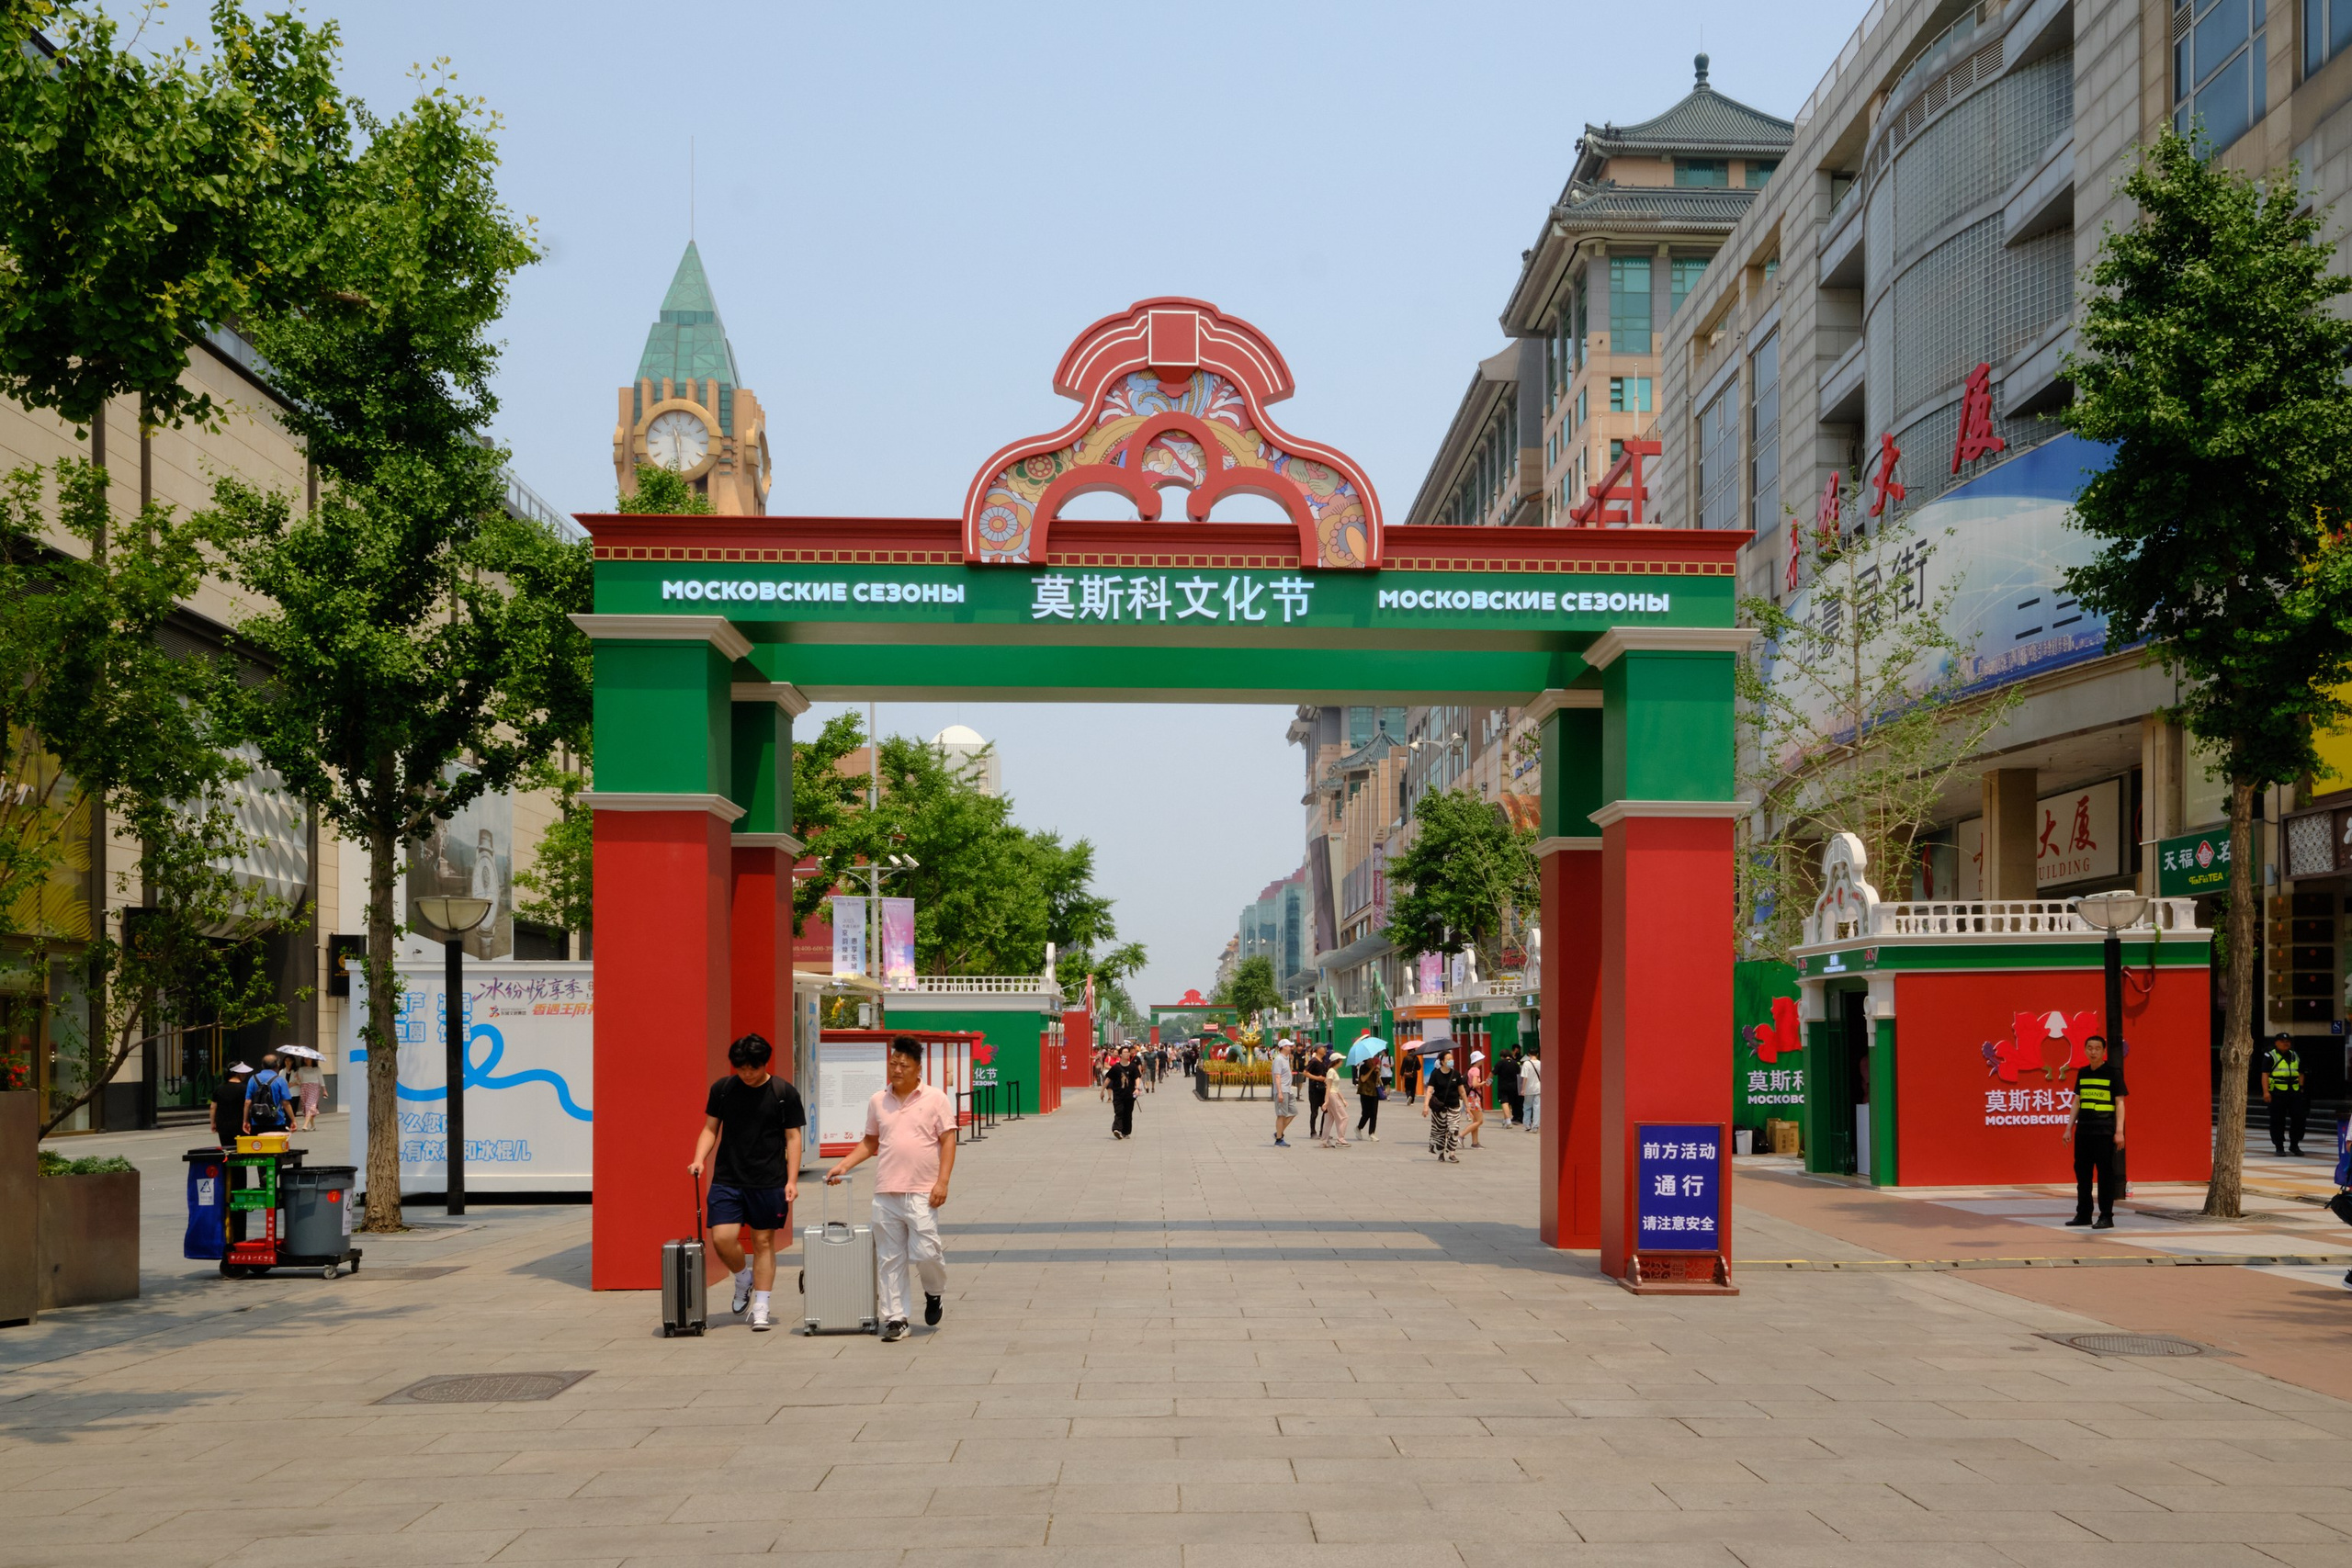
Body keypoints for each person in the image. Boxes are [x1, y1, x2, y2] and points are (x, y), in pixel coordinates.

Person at [826, 1035, 956, 1342]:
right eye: (893, 1063)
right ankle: (896, 1318)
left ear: (918, 1068)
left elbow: (948, 1140)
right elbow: (870, 1141)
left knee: (927, 1252)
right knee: (890, 1258)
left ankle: (934, 1291)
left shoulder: (935, 1098)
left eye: (903, 1065)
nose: (896, 1069)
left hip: (923, 1191)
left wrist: (943, 1182)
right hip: (886, 1191)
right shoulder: (878, 1100)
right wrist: (844, 1165)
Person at [687, 1032, 806, 1333]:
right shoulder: (724, 1089)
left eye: (753, 1068)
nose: (747, 1074)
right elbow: (710, 1128)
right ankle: (743, 1278)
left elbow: (793, 1137)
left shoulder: (783, 1092)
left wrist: (792, 1180)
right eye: (741, 1069)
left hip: (769, 1180)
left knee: (763, 1242)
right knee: (722, 1239)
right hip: (728, 1178)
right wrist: (699, 1158)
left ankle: (762, 1307)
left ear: (764, 1064)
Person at [2064, 1033, 2127, 1229]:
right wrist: (2068, 1128)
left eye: (2097, 1048)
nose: (2093, 1052)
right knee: (2082, 1175)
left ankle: (2106, 1216)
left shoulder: (2113, 1073)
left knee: (2105, 1175)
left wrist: (2119, 1131)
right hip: (2083, 1132)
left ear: (2103, 1051)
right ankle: (2084, 1214)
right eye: (2090, 1048)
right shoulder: (2083, 1073)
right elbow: (2077, 1102)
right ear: (2085, 1050)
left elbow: (2120, 1103)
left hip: (2104, 1132)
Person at [2266, 1033, 2308, 1156]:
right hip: (2277, 1092)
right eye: (2282, 1041)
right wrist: (2266, 1092)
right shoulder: (2270, 1056)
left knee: (2299, 1118)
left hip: (2294, 1092)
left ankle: (2294, 1144)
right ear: (2276, 1043)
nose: (2286, 1043)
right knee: (2277, 1120)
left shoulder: (2295, 1055)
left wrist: (2301, 1088)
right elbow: (2264, 1074)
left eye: (2287, 1041)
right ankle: (2279, 1146)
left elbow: (2301, 1072)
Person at [1423, 1052, 1465, 1162]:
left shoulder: (1456, 1074)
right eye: (1448, 1059)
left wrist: (1468, 1105)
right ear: (1442, 1061)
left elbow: (1462, 1091)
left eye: (1452, 1058)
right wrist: (1426, 1106)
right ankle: (1440, 1153)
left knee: (1454, 1129)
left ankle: (1452, 1153)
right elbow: (1429, 1091)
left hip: (1454, 1106)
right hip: (1439, 1107)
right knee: (1440, 1131)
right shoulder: (1435, 1074)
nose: (1451, 1061)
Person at [243, 1052, 294, 1135]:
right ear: (277, 1065)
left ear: (262, 1065)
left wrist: (245, 1120)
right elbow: (285, 1103)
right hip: (276, 1121)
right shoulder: (280, 1080)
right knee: (276, 1144)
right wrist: (293, 1120)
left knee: (259, 1143)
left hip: (257, 1121)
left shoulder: (253, 1079)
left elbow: (248, 1102)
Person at [210, 1062, 254, 1146]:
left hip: (223, 1125)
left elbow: (213, 1107)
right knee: (242, 1149)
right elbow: (248, 1104)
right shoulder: (245, 1089)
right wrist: (246, 1121)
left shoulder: (219, 1088)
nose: (245, 1074)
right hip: (240, 1125)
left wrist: (213, 1123)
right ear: (238, 1074)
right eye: (244, 1072)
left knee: (227, 1149)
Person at [1106, 1045, 1141, 1139]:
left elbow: (1137, 1077)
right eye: (1125, 1052)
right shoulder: (1116, 1067)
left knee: (1128, 1113)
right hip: (1118, 1094)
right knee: (1119, 1111)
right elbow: (1108, 1079)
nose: (1127, 1054)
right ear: (1120, 1055)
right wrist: (1102, 1091)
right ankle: (1117, 1129)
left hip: (1129, 1094)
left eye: (1128, 1052)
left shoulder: (1133, 1066)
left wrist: (1137, 1088)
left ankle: (1126, 1131)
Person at [1354, 1036, 1383, 1143]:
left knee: (1374, 1113)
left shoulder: (1375, 1067)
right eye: (1371, 1058)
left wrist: (1377, 1073)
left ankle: (1372, 1133)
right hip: (1365, 1093)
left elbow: (1377, 1081)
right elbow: (1363, 1079)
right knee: (1366, 1113)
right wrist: (1371, 1070)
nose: (1373, 1060)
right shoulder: (1363, 1067)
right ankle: (1358, 1128)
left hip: (1374, 1092)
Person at [1271, 1040, 1298, 1147]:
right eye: (1289, 1046)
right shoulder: (1278, 1059)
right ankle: (1279, 1139)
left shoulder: (1286, 1058)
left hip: (1288, 1090)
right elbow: (1277, 1076)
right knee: (1281, 1114)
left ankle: (1279, 1132)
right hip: (1282, 1090)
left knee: (1293, 1111)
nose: (1291, 1047)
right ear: (1283, 1047)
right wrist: (1280, 1092)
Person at [1464, 1050, 1487, 1149]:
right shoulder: (1476, 1070)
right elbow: (1474, 1084)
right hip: (1474, 1097)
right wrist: (1482, 1083)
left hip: (1470, 1097)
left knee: (1475, 1121)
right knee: (1480, 1121)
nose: (1483, 1060)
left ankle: (1475, 1142)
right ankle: (1462, 1135)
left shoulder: (1471, 1070)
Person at [1498, 1049, 1522, 1127]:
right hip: (1513, 1087)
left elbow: (1493, 1072)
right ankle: (1505, 1120)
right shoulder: (1515, 1063)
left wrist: (1488, 1080)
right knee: (1509, 1103)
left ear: (1502, 1056)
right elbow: (1519, 1072)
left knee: (1504, 1103)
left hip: (1503, 1086)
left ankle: (1508, 1121)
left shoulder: (1501, 1063)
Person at [1520, 1050, 1542, 1134]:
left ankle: (1527, 1125)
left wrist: (1523, 1089)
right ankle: (1535, 1126)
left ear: (1529, 1054)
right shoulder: (1540, 1063)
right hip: (1538, 1088)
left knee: (1527, 1107)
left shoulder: (1526, 1063)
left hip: (1528, 1088)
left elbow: (1525, 1077)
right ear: (1537, 1054)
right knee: (1537, 1107)